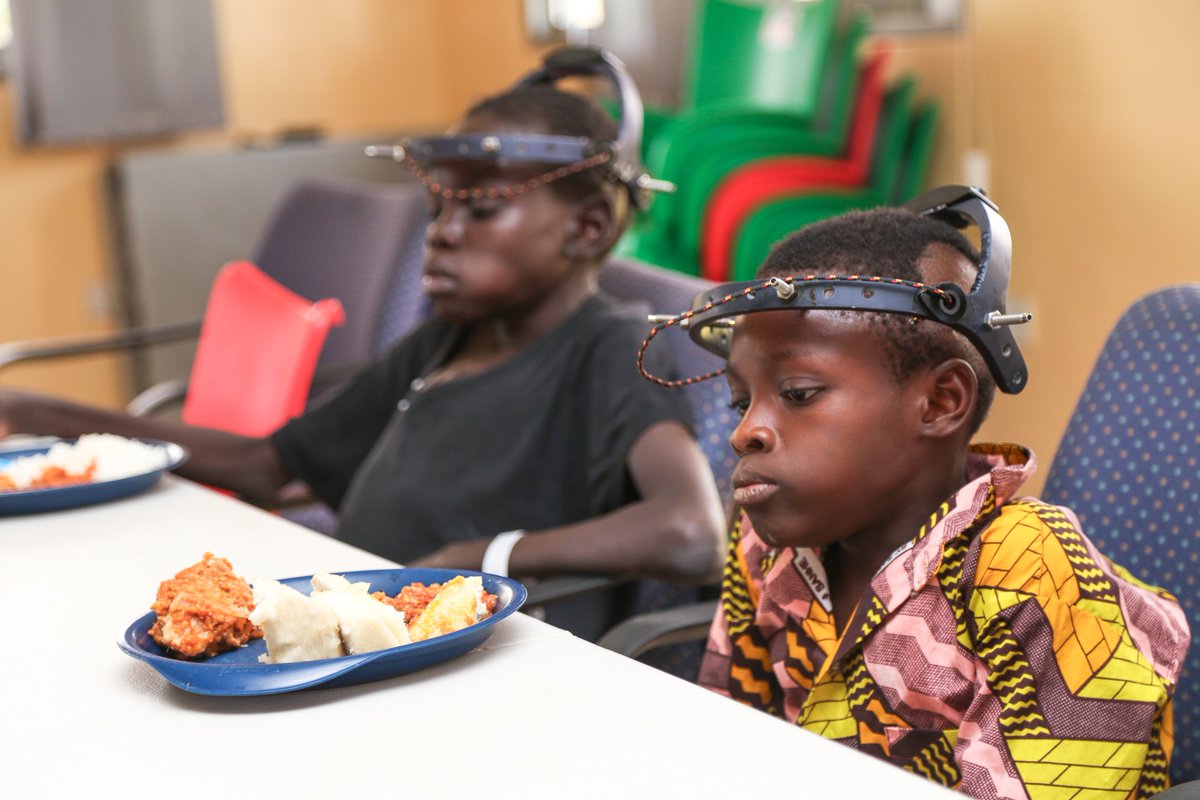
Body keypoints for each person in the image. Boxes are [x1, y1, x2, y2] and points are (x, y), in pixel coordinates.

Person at [0, 55, 726, 639]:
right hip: (354, 632)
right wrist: (44, 413)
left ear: (588, 228)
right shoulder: (446, 340)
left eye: (481, 207)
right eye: (438, 204)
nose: (440, 231)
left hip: (470, 655)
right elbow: (268, 466)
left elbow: (692, 531)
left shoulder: (611, 346)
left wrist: (473, 560)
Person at [684, 203, 1190, 796]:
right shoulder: (768, 542)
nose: (745, 432)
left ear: (940, 402)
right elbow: (722, 747)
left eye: (798, 393)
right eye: (741, 403)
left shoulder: (1029, 574)